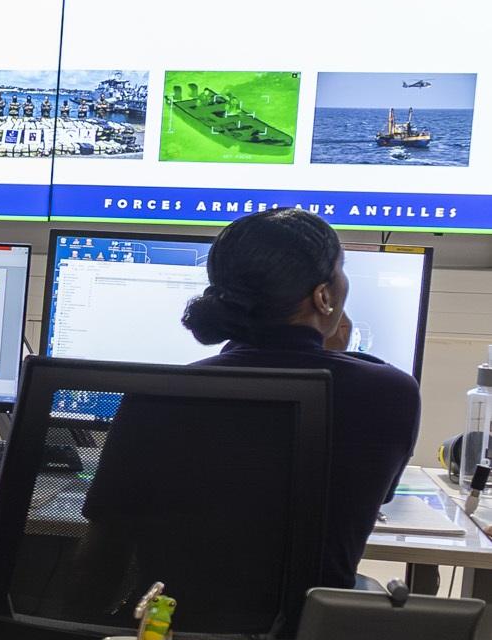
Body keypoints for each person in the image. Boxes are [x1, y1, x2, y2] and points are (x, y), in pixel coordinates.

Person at [179, 207, 421, 590]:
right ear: (323, 296)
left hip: (167, 636)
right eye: (342, 269)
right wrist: (335, 354)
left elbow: (105, 541)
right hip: (308, 636)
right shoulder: (389, 392)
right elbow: (375, 498)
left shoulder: (168, 388)